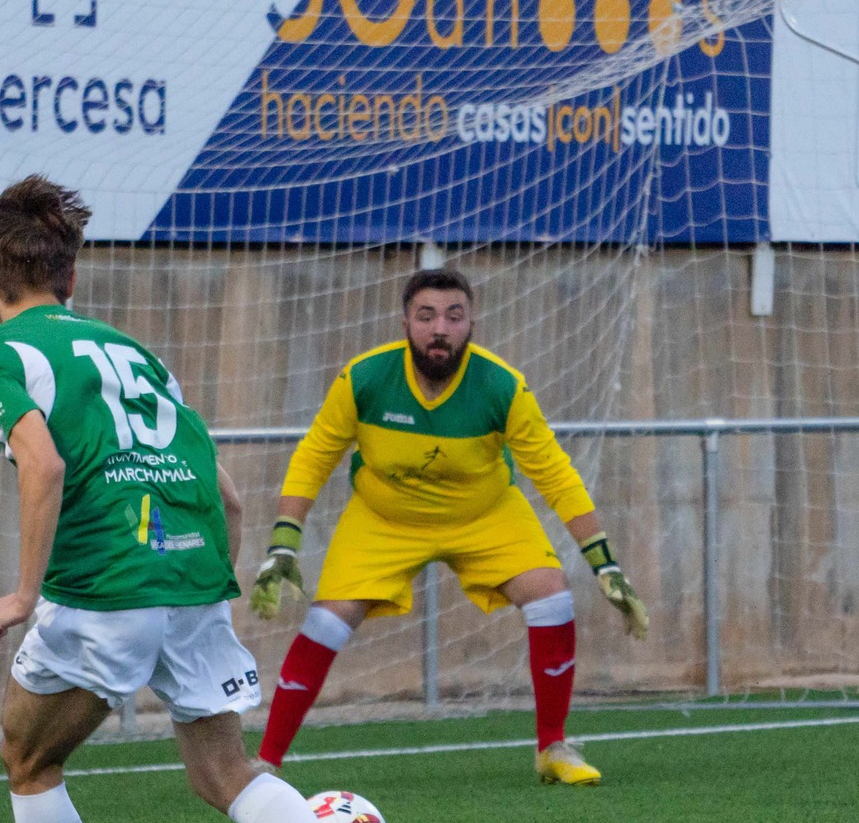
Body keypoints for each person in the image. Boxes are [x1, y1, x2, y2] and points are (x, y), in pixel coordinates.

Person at [0, 175, 447, 823]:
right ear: (72, 277)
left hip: (105, 581)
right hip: (191, 569)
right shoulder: (136, 355)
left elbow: (41, 464)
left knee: (26, 757)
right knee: (225, 771)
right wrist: (197, 587)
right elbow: (225, 492)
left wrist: (21, 594)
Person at [249, 266, 649, 785]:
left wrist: (605, 563)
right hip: (384, 517)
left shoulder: (502, 385)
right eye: (427, 315)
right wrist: (283, 543)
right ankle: (265, 764)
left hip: (484, 513)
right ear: (405, 322)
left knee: (552, 594)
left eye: (454, 316)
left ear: (472, 322)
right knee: (327, 620)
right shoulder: (364, 378)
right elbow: (313, 456)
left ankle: (553, 747)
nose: (440, 328)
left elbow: (554, 472)